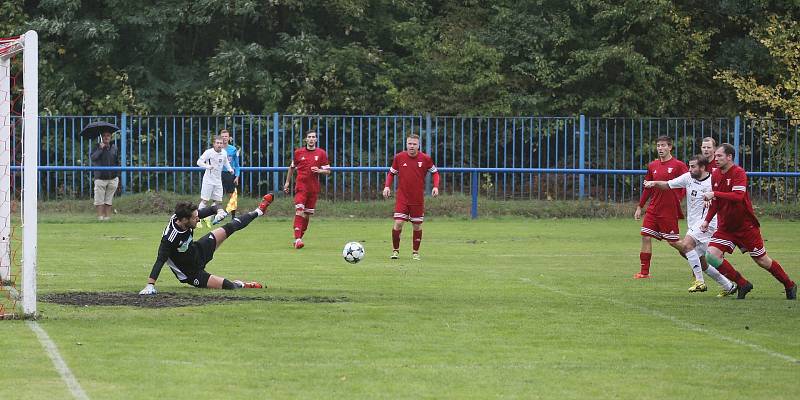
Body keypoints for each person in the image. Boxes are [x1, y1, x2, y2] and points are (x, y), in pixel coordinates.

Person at [700, 143, 797, 300]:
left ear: (729, 157)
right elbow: (716, 201)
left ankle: (789, 284)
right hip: (726, 227)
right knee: (711, 256)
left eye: (719, 156)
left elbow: (737, 197)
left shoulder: (739, 173)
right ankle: (743, 283)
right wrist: (707, 220)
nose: (715, 159)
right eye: (715, 156)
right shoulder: (716, 174)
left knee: (762, 261)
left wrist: (713, 193)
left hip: (746, 226)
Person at [138, 194, 274, 295]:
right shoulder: (170, 237)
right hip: (191, 273)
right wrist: (150, 285)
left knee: (230, 227)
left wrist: (220, 212)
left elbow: (213, 208)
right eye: (195, 218)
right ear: (184, 220)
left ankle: (259, 211)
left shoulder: (187, 217)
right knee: (228, 286)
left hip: (198, 250)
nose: (198, 219)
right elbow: (160, 260)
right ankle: (242, 284)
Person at [644, 155, 737, 296]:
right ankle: (729, 285)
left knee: (686, 245)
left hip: (708, 223)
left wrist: (713, 199)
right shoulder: (688, 177)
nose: (690, 169)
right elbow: (668, 184)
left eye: (693, 166)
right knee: (702, 260)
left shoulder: (713, 181)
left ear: (702, 168)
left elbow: (724, 197)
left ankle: (699, 282)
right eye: (689, 166)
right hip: (694, 224)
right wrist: (654, 183)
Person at [633, 136, 688, 278]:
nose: (660, 148)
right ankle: (644, 273)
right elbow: (647, 188)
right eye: (658, 145)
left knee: (673, 242)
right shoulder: (652, 165)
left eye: (663, 145)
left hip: (669, 210)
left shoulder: (679, 165)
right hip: (653, 209)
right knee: (645, 236)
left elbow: (688, 183)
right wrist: (640, 206)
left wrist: (679, 198)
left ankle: (697, 260)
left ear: (670, 147)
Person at [382, 134, 440, 260]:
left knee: (417, 226)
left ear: (418, 145)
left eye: (414, 144)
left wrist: (435, 186)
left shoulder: (425, 158)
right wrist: (387, 186)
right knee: (398, 223)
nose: (412, 146)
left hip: (417, 199)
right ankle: (395, 251)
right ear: (406, 144)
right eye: (409, 143)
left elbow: (435, 173)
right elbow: (391, 174)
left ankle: (415, 252)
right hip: (402, 197)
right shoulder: (399, 157)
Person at [283, 130, 331, 249]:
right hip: (301, 187)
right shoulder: (299, 152)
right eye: (309, 137)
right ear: (306, 139)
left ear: (316, 139)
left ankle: (299, 237)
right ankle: (297, 239)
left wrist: (320, 170)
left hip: (313, 188)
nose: (311, 139)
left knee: (306, 215)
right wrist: (287, 182)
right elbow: (292, 167)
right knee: (299, 210)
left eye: (313, 137)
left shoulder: (321, 153)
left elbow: (328, 171)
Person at [197, 135, 235, 226]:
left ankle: (209, 218)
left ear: (223, 144)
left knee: (218, 201)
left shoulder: (224, 153)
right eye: (217, 143)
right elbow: (199, 162)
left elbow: (225, 162)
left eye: (220, 143)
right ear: (214, 144)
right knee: (205, 200)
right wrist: (208, 166)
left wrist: (230, 169)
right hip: (208, 180)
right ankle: (197, 220)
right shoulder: (208, 152)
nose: (219, 145)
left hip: (218, 181)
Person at [90, 130, 120, 221]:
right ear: (101, 138)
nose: (106, 137)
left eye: (108, 136)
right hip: (100, 177)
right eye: (104, 136)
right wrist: (100, 149)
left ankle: (107, 217)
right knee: (99, 199)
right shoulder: (96, 147)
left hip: (112, 177)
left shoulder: (114, 148)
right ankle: (100, 217)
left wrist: (117, 174)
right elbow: (93, 158)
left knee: (108, 199)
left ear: (111, 137)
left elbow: (117, 161)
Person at [219, 129, 241, 218]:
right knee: (217, 195)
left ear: (229, 138)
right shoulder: (216, 148)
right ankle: (217, 214)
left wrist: (237, 176)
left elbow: (237, 164)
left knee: (232, 195)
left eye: (226, 136)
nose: (224, 138)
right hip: (218, 173)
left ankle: (233, 216)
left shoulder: (233, 149)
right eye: (222, 136)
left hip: (229, 174)